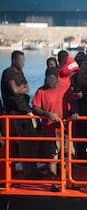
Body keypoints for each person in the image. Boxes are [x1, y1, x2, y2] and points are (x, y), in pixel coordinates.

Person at [32, 67, 78, 192]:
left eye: (50, 79)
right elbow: (35, 107)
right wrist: (47, 114)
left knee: (69, 155)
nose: (48, 82)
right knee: (52, 156)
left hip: (64, 128)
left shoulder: (65, 88)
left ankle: (68, 180)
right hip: (49, 130)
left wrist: (74, 113)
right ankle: (54, 183)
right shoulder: (41, 91)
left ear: (56, 78)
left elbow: (73, 102)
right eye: (46, 79)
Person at [0, 50, 39, 179]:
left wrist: (21, 88)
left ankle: (33, 169)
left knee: (32, 140)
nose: (23, 63)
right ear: (14, 60)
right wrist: (20, 88)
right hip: (15, 111)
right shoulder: (8, 73)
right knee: (24, 142)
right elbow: (15, 90)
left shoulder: (20, 73)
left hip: (25, 110)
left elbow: (27, 88)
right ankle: (28, 172)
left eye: (24, 60)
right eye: (20, 60)